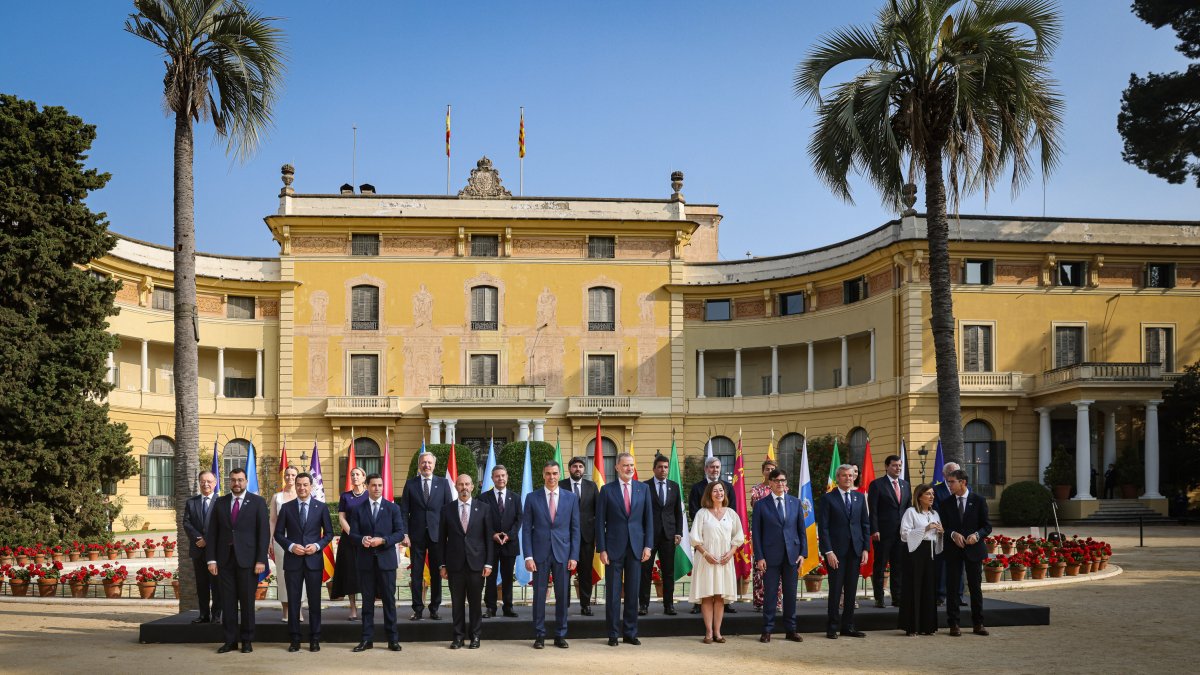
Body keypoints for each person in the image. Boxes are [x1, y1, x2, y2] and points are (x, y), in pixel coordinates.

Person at [205, 467, 270, 654]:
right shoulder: (220, 503)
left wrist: (261, 560)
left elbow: (263, 534)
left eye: (240, 480)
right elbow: (213, 533)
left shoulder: (258, 502)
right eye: (233, 480)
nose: (236, 483)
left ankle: (247, 640)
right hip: (224, 561)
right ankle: (230, 641)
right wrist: (211, 560)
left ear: (246, 481)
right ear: (229, 481)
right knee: (228, 602)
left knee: (248, 603)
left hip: (249, 562)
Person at [521, 460, 580, 649]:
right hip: (539, 554)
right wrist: (528, 556)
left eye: (555, 473)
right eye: (548, 473)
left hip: (563, 553)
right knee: (539, 596)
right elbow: (527, 530)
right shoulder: (532, 497)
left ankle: (560, 635)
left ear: (559, 474)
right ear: (543, 475)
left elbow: (575, 529)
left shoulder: (571, 498)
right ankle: (539, 635)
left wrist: (574, 556)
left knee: (562, 596)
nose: (552, 477)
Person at [596, 452, 653, 646]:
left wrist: (648, 545)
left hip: (636, 548)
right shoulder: (606, 490)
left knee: (633, 592)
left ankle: (630, 632)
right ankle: (613, 634)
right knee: (613, 593)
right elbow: (599, 523)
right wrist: (602, 549)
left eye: (632, 465)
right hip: (613, 549)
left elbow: (649, 521)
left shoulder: (643, 489)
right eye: (626, 465)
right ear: (617, 468)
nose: (629, 468)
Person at [273, 472, 334, 652]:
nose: (301, 488)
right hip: (293, 561)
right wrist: (291, 546)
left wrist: (317, 545)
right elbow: (278, 534)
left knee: (315, 602)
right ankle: (295, 639)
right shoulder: (286, 507)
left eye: (305, 484)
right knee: (293, 602)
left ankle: (315, 639)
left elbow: (329, 534)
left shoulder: (321, 507)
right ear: (295, 485)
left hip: (314, 561)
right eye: (299, 484)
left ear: (311, 486)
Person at [350, 473, 409, 653]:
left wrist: (383, 540)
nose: (377, 488)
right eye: (374, 485)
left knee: (389, 602)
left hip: (386, 562)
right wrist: (363, 540)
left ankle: (393, 640)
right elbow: (353, 535)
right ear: (367, 486)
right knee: (367, 603)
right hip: (366, 562)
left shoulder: (393, 508)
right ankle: (366, 640)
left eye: (380, 485)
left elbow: (400, 533)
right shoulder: (358, 509)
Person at [438, 473, 495, 649]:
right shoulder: (447, 509)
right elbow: (441, 540)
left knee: (476, 604)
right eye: (461, 485)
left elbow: (488, 538)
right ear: (456, 487)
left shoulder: (484, 508)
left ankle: (475, 636)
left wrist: (488, 563)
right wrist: (442, 564)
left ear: (472, 487)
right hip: (454, 565)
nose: (464, 488)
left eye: (467, 484)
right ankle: (458, 637)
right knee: (457, 604)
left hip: (477, 564)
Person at [750, 469, 807, 644]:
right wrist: (759, 557)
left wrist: (803, 553)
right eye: (777, 481)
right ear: (771, 483)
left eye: (783, 480)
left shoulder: (795, 503)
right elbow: (756, 534)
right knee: (770, 595)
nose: (780, 484)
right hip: (770, 557)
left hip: (792, 556)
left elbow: (801, 531)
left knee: (790, 595)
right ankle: (767, 630)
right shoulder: (761, 505)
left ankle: (791, 630)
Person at [816, 464, 870, 640]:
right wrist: (828, 551)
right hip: (836, 553)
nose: (848, 478)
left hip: (855, 551)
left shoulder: (859, 498)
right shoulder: (828, 499)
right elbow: (823, 528)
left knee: (851, 590)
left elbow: (865, 525)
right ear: (837, 478)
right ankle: (832, 627)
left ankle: (848, 626)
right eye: (844, 476)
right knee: (835, 590)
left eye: (850, 476)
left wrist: (865, 548)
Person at [400, 451, 453, 621]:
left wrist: (448, 535)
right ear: (419, 465)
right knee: (416, 573)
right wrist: (405, 533)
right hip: (416, 537)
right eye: (423, 462)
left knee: (437, 573)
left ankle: (434, 608)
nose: (426, 465)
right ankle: (417, 608)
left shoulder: (443, 483)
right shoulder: (410, 484)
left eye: (429, 463)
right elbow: (404, 511)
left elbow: (448, 511)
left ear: (434, 465)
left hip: (438, 536)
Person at [939, 469, 992, 637]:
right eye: (948, 482)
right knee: (952, 587)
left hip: (974, 550)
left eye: (952, 482)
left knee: (975, 587)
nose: (949, 485)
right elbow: (943, 527)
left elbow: (987, 526)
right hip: (953, 550)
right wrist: (953, 534)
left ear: (963, 482)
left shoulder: (979, 500)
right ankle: (953, 624)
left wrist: (977, 535)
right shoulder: (945, 503)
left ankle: (978, 623)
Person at [690, 481, 744, 644]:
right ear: (709, 494)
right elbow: (694, 538)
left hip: (724, 560)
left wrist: (731, 553)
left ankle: (718, 632)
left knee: (720, 596)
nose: (719, 493)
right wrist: (705, 554)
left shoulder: (731, 514)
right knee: (707, 596)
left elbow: (738, 537)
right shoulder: (702, 514)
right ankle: (708, 632)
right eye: (715, 491)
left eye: (721, 490)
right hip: (706, 560)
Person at [688, 456, 737, 615]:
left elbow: (733, 511)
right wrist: (707, 523)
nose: (715, 470)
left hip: (724, 540)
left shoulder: (728, 487)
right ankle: (699, 603)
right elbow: (693, 511)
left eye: (717, 467)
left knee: (723, 573)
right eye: (711, 467)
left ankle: (725, 603)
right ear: (706, 469)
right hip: (704, 538)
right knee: (704, 573)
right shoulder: (697, 488)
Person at [640, 454, 682, 616]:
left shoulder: (674, 486)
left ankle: (668, 605)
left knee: (668, 572)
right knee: (645, 571)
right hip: (648, 536)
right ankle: (643, 605)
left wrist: (678, 532)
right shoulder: (644, 486)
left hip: (668, 535)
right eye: (660, 467)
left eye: (665, 467)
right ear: (654, 469)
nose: (663, 470)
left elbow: (678, 512)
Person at [899, 483, 942, 636]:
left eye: (932, 494)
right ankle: (912, 626)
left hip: (930, 553)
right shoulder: (911, 512)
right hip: (914, 553)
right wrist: (925, 528)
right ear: (919, 496)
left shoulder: (934, 514)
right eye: (928, 494)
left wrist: (940, 532)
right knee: (914, 588)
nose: (932, 497)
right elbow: (904, 534)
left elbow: (936, 536)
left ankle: (927, 626)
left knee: (929, 588)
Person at [868, 454, 911, 608]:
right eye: (894, 465)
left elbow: (908, 509)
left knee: (898, 566)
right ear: (887, 467)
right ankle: (879, 597)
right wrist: (874, 530)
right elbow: (872, 510)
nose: (898, 468)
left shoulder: (905, 485)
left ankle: (897, 598)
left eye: (899, 465)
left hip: (901, 534)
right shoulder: (877, 485)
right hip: (883, 533)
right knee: (880, 566)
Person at [478, 464, 521, 618]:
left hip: (510, 544)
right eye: (497, 476)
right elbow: (480, 521)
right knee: (490, 577)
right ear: (492, 478)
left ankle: (508, 607)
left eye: (503, 475)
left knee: (508, 577)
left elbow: (519, 520)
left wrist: (509, 535)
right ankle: (490, 608)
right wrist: (493, 535)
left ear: (507, 477)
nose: (500, 478)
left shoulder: (515, 497)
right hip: (491, 545)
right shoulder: (483, 498)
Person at [183, 470, 221, 624]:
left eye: (209, 481)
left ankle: (217, 616)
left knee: (217, 585)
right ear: (199, 483)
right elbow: (186, 523)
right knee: (202, 584)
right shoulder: (191, 502)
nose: (206, 484)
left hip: (217, 552)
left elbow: (223, 526)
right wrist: (199, 538)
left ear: (215, 483)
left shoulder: (222, 502)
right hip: (198, 550)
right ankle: (204, 615)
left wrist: (208, 539)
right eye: (203, 481)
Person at [331, 466, 368, 620]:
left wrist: (364, 538)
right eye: (352, 475)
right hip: (349, 540)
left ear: (364, 477)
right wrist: (353, 535)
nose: (354, 477)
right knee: (350, 574)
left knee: (366, 575)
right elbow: (341, 518)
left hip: (367, 540)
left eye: (357, 474)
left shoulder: (370, 494)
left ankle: (367, 608)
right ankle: (352, 608)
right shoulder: (345, 496)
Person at [564, 456, 598, 615]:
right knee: (563, 573)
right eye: (575, 466)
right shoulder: (561, 485)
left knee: (585, 573)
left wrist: (598, 537)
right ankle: (564, 605)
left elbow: (598, 512)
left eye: (580, 466)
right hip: (564, 537)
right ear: (569, 469)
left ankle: (586, 604)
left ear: (584, 469)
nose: (578, 469)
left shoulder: (592, 486)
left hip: (586, 537)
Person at [269, 464, 302, 622]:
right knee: (282, 576)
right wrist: (270, 540)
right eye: (287, 474)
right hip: (281, 541)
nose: (290, 477)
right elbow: (273, 521)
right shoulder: (277, 497)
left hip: (300, 541)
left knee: (300, 576)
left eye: (293, 475)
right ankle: (286, 610)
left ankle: (299, 610)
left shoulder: (303, 495)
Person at [749, 459, 781, 612]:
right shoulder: (756, 490)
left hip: (779, 535)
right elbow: (758, 508)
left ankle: (777, 602)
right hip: (761, 532)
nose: (769, 471)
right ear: (763, 471)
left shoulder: (784, 489)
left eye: (772, 469)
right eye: (767, 469)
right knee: (760, 569)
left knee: (778, 570)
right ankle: (759, 602)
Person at [933, 461, 963, 606]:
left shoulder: (964, 490)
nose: (954, 475)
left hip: (961, 534)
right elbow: (935, 511)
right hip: (942, 533)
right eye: (951, 472)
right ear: (944, 474)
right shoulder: (936, 490)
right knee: (942, 565)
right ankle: (940, 595)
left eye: (957, 472)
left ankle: (959, 595)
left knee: (960, 565)